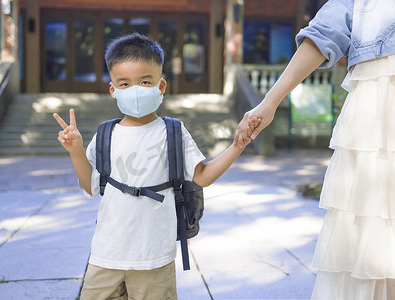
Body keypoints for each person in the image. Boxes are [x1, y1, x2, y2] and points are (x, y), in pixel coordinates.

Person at [53, 33, 259, 300]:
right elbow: (90, 187)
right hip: (106, 254)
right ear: (113, 90)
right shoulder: (106, 134)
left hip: (154, 258)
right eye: (124, 84)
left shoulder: (173, 131)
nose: (135, 90)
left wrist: (236, 147)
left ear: (161, 86)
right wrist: (76, 151)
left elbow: (203, 176)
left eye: (145, 81)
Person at [235, 0, 395, 299]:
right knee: (369, 240)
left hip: (376, 109)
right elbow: (323, 35)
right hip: (378, 116)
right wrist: (270, 101)